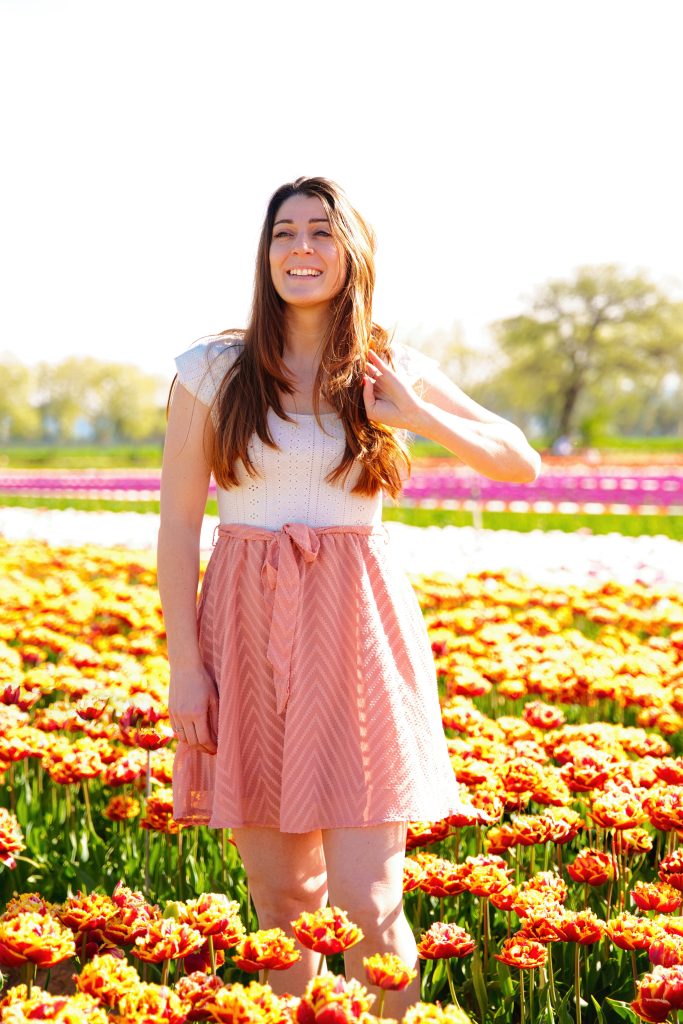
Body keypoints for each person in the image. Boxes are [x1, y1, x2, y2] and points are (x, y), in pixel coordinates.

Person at [157, 176, 540, 1015]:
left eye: (320, 232)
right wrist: (187, 671)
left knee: (370, 904)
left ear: (351, 251)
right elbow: (180, 526)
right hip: (247, 631)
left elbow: (519, 461)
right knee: (285, 906)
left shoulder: (383, 363)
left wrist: (416, 417)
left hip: (358, 630)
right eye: (283, 232)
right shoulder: (212, 368)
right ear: (264, 255)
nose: (300, 247)